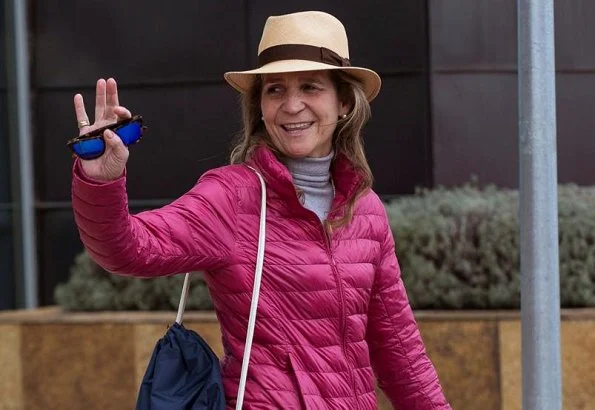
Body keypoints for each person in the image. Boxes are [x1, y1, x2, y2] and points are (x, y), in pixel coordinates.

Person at [71, 10, 451, 409]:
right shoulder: (232, 196)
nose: (291, 105)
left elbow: (401, 353)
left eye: (310, 87)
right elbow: (126, 249)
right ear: (260, 106)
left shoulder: (365, 209)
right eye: (274, 90)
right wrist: (101, 178)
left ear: (343, 103)